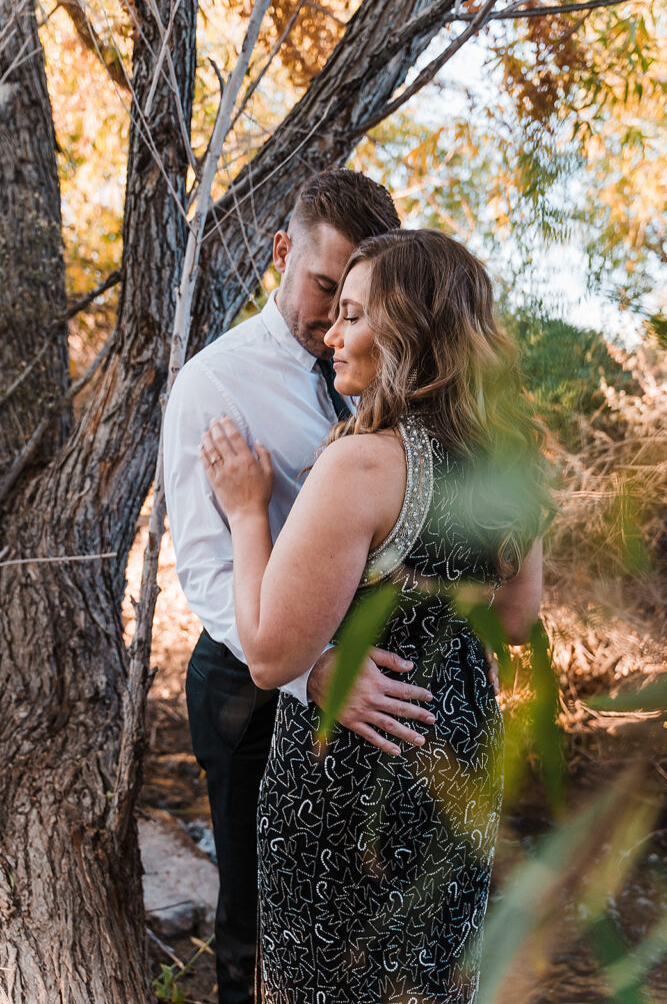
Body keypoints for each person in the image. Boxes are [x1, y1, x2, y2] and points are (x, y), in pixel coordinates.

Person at [200, 229, 549, 1003]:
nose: (331, 334)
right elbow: (517, 620)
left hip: (349, 788)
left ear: (406, 328)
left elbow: (268, 658)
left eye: (352, 315)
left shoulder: (361, 465)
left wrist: (247, 510)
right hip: (456, 767)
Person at [163, 170, 438, 1004]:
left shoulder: (383, 377)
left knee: (351, 911)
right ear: (282, 252)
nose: (336, 314)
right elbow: (207, 577)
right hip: (252, 687)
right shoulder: (213, 386)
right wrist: (311, 667)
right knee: (252, 920)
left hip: (367, 687)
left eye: (358, 296)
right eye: (325, 286)